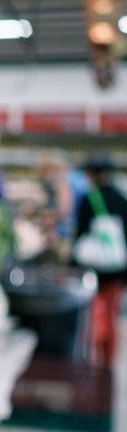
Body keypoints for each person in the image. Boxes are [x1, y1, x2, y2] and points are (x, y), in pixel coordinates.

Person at [75, 154, 127, 366]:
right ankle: (109, 360)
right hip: (117, 270)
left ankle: (95, 359)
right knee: (112, 315)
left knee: (95, 314)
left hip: (93, 270)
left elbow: (81, 235)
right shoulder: (122, 199)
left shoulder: (90, 199)